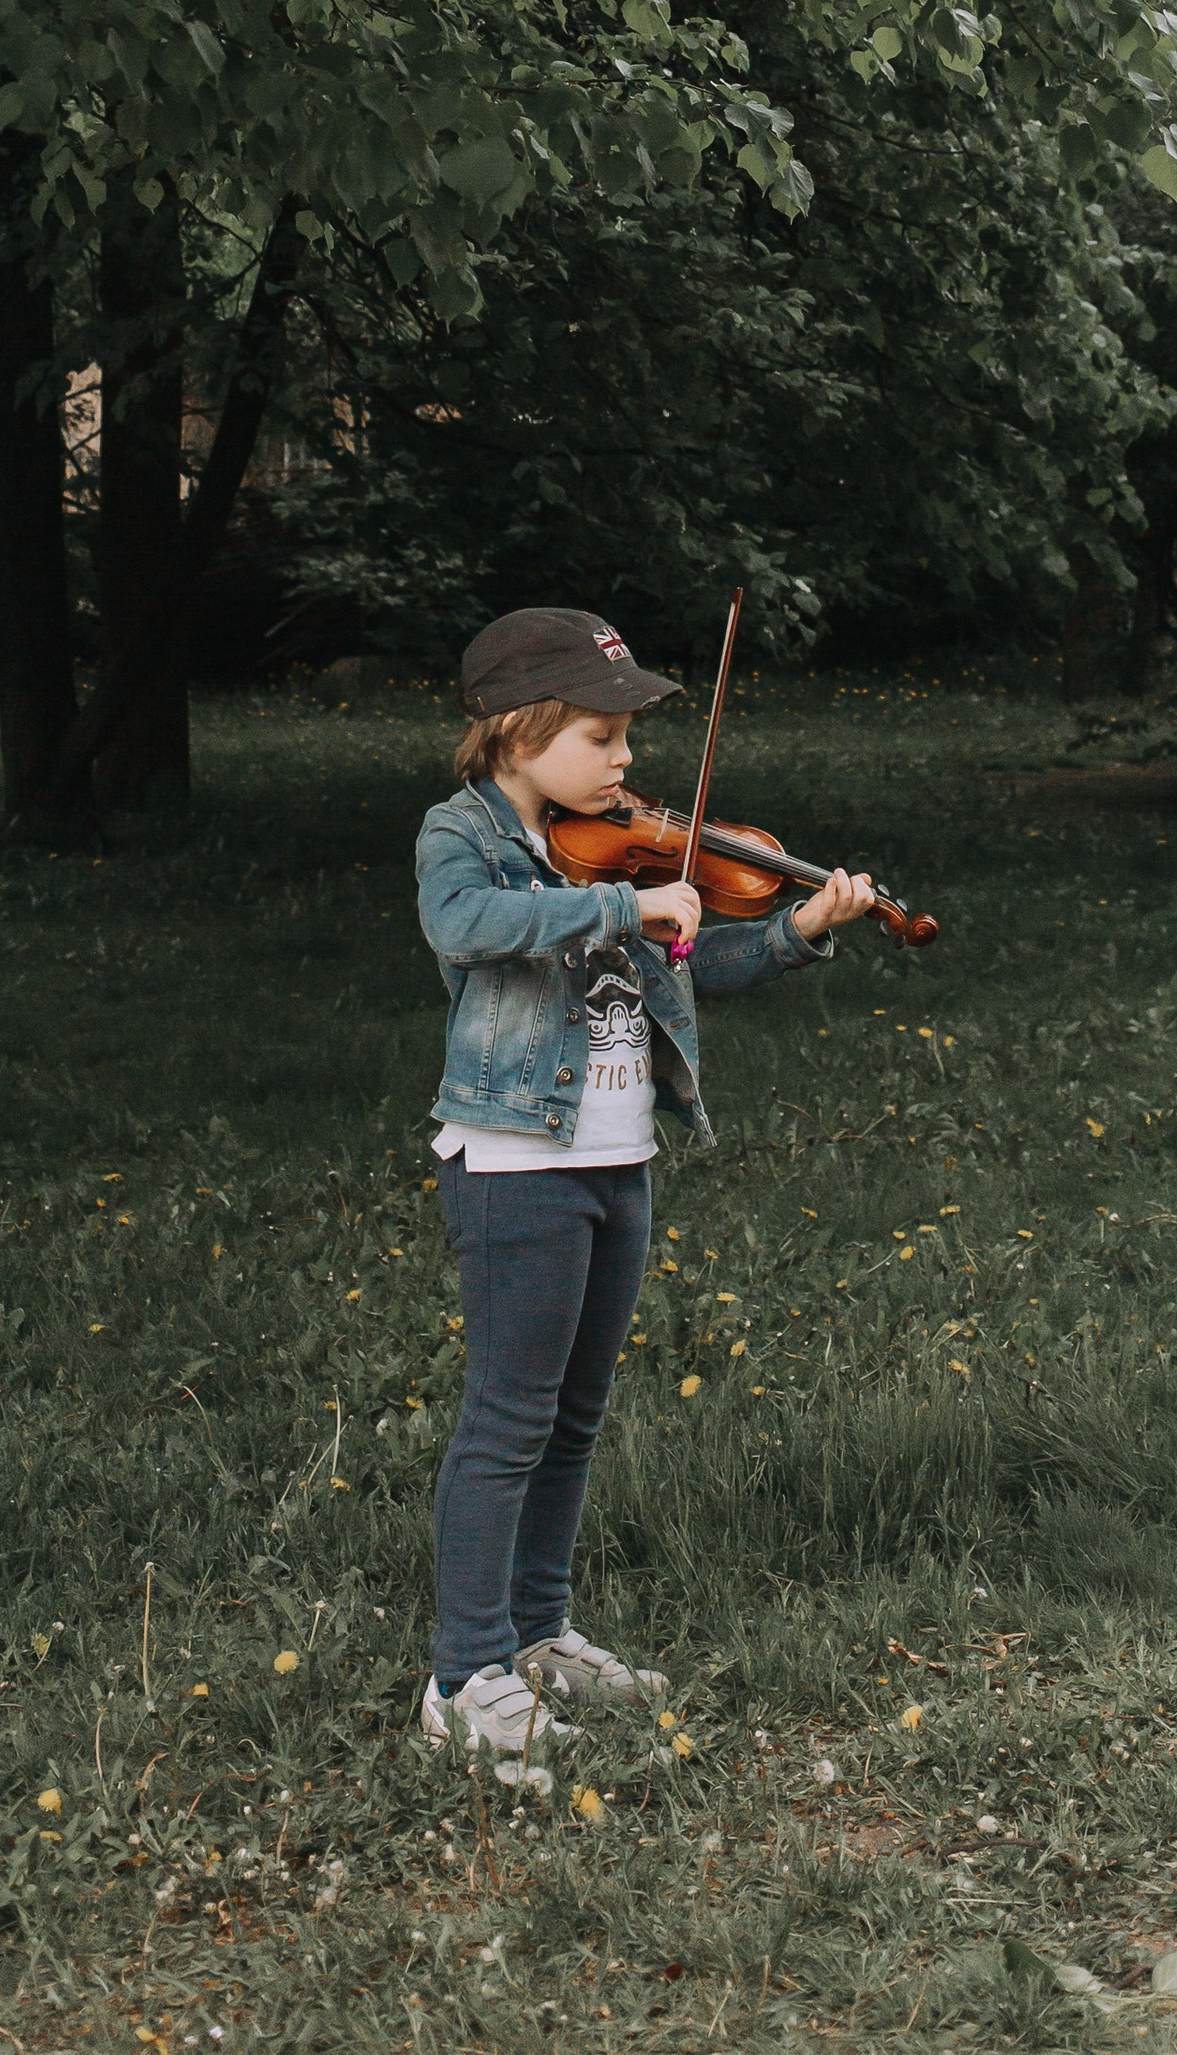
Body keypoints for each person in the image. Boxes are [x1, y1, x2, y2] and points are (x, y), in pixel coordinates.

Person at [415, 601, 875, 1783]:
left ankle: (540, 1632)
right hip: (517, 1166)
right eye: (602, 738)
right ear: (518, 732)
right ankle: (463, 1676)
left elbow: (696, 964)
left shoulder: (624, 844)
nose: (627, 766)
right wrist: (625, 902)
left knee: (575, 1417)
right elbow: (465, 929)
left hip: (616, 1161)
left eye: (628, 741)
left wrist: (798, 928)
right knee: (507, 1421)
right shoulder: (461, 838)